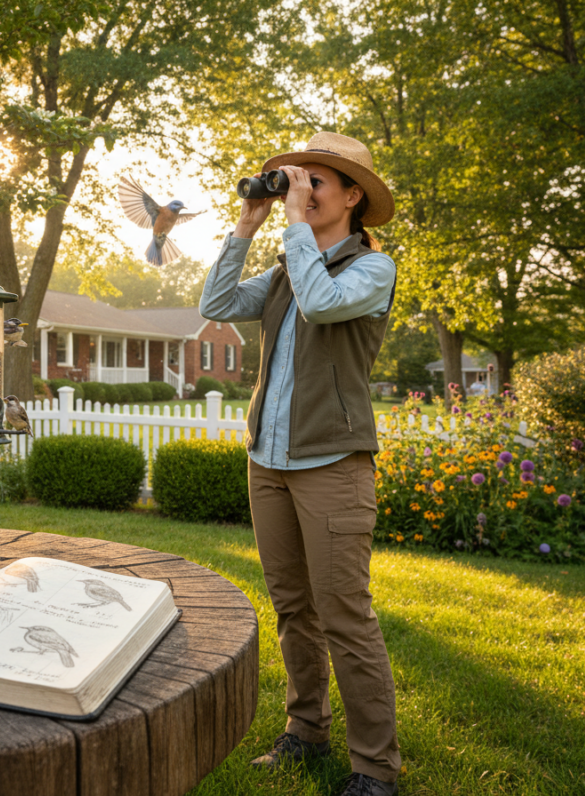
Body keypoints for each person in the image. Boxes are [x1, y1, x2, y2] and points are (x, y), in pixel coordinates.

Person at [199, 132, 401, 796]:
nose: (303, 189)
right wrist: (247, 223)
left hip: (334, 464)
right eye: (298, 177)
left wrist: (290, 227)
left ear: (353, 197)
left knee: (345, 614)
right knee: (293, 608)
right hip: (269, 461)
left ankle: (374, 769)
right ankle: (305, 730)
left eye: (318, 180)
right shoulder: (288, 265)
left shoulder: (372, 270)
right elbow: (217, 306)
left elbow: (320, 302)